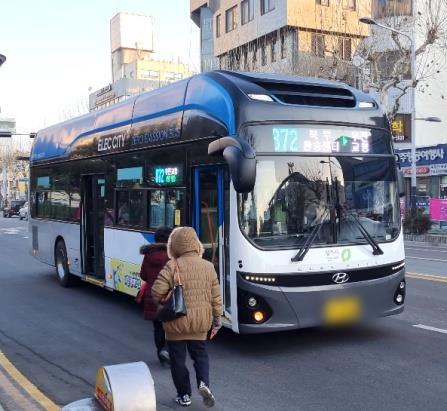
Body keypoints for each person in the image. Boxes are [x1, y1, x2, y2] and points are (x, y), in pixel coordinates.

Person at [152, 226, 222, 408]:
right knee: (200, 355)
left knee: (178, 361)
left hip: (176, 322)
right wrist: (216, 321)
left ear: (174, 246)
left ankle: (184, 396)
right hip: (200, 322)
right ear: (196, 245)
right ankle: (203, 384)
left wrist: (163, 302)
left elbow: (156, 291)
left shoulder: (172, 265)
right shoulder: (208, 266)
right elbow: (216, 298)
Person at [139, 226, 172, 365]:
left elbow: (143, 275)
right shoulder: (173, 256)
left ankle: (161, 355)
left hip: (152, 296)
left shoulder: (148, 254)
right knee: (171, 326)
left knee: (158, 327)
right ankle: (168, 350)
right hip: (168, 296)